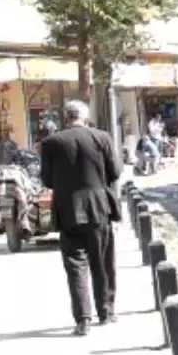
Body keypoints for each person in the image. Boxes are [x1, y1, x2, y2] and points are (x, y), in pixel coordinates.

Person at [41, 100, 122, 336]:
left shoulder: (51, 142)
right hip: (98, 207)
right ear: (84, 118)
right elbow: (115, 172)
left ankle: (83, 319)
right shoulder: (102, 137)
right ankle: (106, 311)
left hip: (67, 209)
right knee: (102, 260)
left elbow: (47, 180)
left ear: (65, 118)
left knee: (75, 265)